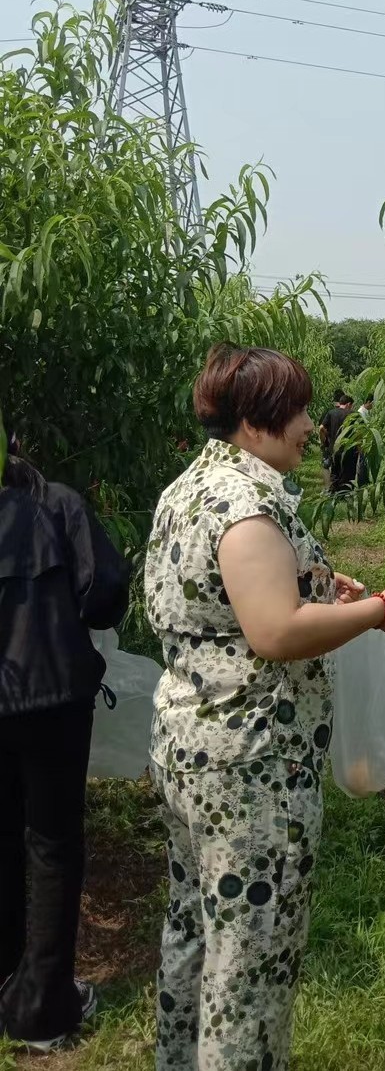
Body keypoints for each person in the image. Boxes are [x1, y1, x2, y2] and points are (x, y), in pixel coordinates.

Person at [144, 345, 385, 1071]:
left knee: (196, 926)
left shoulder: (191, 488)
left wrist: (320, 586)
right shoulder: (246, 506)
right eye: (297, 411)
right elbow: (273, 632)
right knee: (250, 956)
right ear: (256, 420)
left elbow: (231, 603)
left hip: (190, 744)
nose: (310, 427)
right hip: (251, 765)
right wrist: (381, 610)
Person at [0, 431, 131, 1052]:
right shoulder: (56, 503)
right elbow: (105, 595)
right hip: (54, 698)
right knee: (52, 845)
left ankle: (9, 979)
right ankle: (41, 1010)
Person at [318, 391, 347, 478]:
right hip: (343, 444)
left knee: (329, 468)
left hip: (329, 443)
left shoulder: (328, 411)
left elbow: (321, 428)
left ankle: (330, 483)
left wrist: (323, 441)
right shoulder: (347, 412)